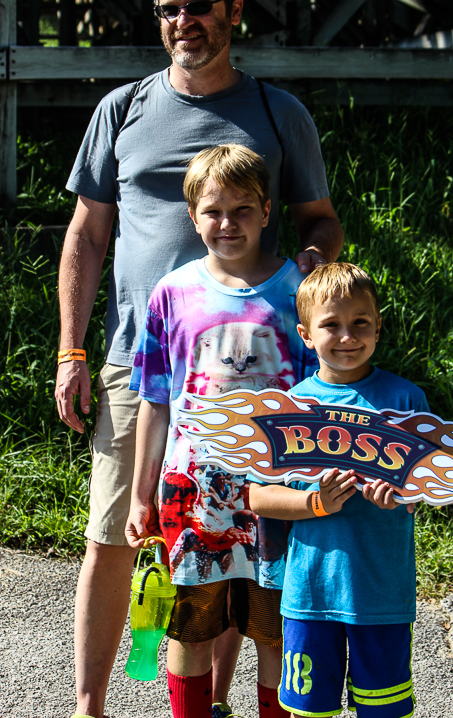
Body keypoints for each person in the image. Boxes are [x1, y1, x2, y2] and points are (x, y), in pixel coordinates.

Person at [54, 0, 343, 718]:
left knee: (236, 549)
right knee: (117, 533)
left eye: (200, 6)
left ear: (233, 12)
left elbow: (319, 220)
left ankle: (210, 702)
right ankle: (89, 707)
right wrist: (71, 349)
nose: (186, 20)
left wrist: (301, 279)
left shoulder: (280, 115)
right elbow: (85, 235)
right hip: (142, 365)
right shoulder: (124, 109)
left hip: (255, 372)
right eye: (172, 8)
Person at [125, 144, 318, 718]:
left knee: (275, 628)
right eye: (213, 211)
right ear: (193, 216)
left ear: (266, 210)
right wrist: (141, 493)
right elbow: (155, 403)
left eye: (241, 209)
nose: (227, 223)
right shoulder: (172, 293)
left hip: (278, 494)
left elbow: (320, 405)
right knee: (190, 628)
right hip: (193, 493)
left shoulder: (297, 292)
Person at [249, 262, 428, 718]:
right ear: (307, 334)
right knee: (310, 712)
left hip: (381, 595)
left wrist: (404, 498)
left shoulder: (407, 401)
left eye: (360, 323)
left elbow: (427, 488)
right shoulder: (289, 406)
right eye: (331, 325)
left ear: (378, 327)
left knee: (384, 711)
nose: (347, 336)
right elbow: (258, 496)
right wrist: (314, 502)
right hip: (309, 594)